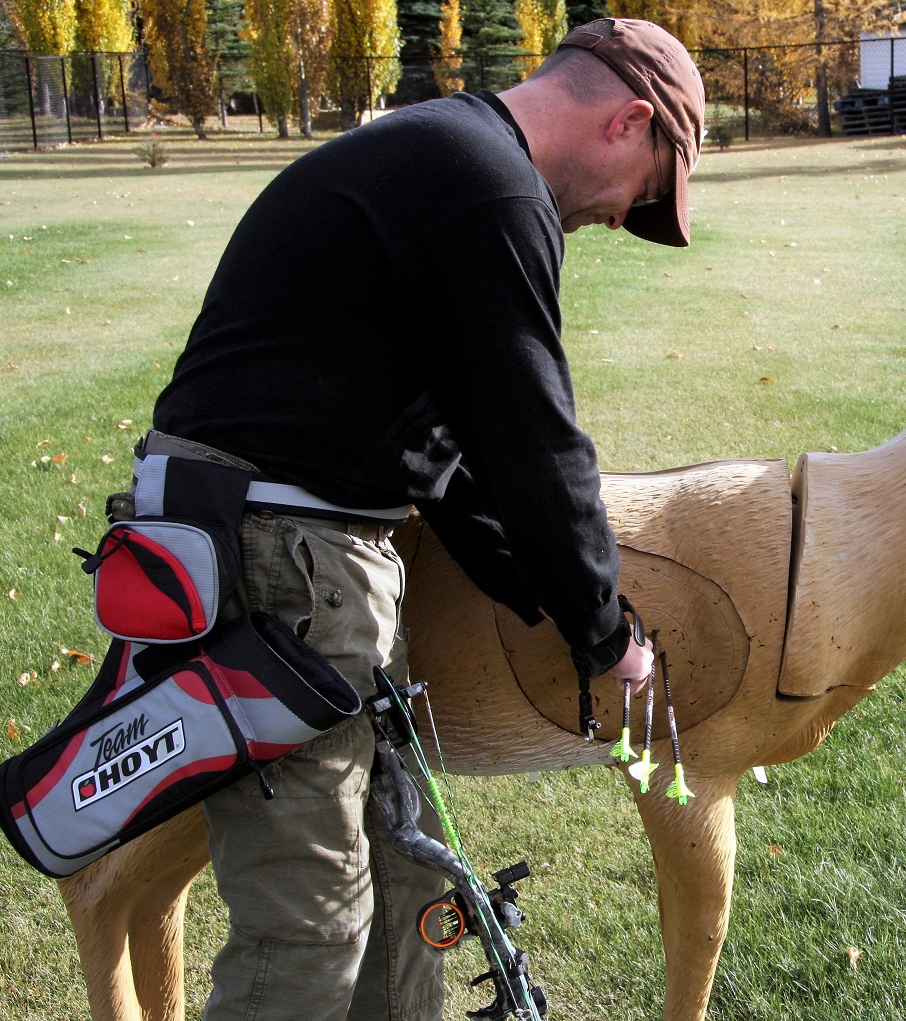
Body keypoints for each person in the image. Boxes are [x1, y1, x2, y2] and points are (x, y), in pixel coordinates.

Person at [135, 18, 705, 1021]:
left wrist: (544, 596)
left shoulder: (447, 158)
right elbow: (533, 444)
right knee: (307, 928)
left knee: (404, 885)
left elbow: (445, 458)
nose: (621, 219)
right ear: (631, 121)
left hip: (301, 551)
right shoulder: (487, 187)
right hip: (275, 554)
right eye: (646, 196)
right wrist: (606, 634)